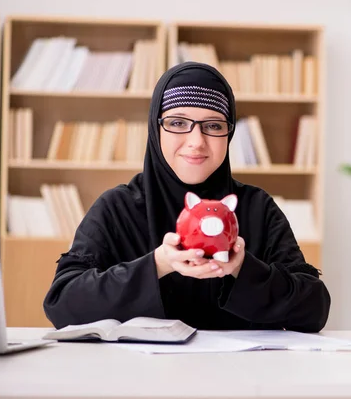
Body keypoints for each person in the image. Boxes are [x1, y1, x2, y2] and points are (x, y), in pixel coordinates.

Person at [42, 61, 331, 332]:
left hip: (242, 380)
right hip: (138, 381)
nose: (196, 142)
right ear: (156, 129)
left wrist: (243, 269)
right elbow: (63, 304)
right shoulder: (118, 208)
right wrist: (159, 264)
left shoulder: (257, 208)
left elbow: (314, 309)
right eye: (178, 123)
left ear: (229, 134)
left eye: (214, 125)